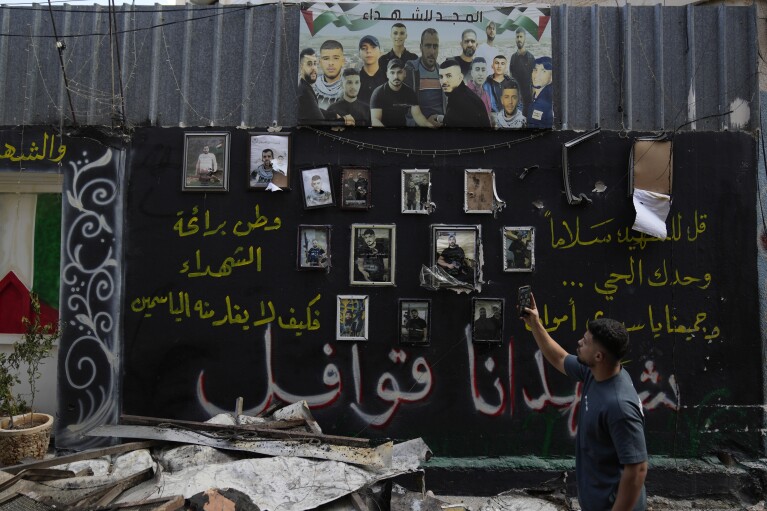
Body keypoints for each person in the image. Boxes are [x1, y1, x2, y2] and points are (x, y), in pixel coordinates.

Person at [520, 299, 648, 511]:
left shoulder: (619, 406)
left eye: (586, 341)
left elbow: (638, 470)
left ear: (599, 356)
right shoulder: (595, 372)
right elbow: (559, 358)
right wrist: (535, 323)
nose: (579, 342)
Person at [371, 59, 434, 128]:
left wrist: (431, 127)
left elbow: (418, 116)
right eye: (392, 73)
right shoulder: (378, 93)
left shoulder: (409, 92)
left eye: (399, 72)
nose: (396, 77)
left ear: (404, 74)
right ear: (387, 74)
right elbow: (375, 120)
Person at [404, 28, 445, 127]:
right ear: (421, 47)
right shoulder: (411, 71)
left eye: (435, 46)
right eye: (428, 46)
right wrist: (426, 122)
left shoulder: (442, 73)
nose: (432, 51)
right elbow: (405, 111)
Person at [439, 59, 491, 128]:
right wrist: (442, 119)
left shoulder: (462, 101)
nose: (444, 81)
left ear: (460, 77)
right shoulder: (460, 94)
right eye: (441, 77)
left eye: (449, 76)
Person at [298, 48, 329, 124]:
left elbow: (314, 109)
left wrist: (334, 115)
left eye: (315, 63)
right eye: (309, 64)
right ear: (301, 67)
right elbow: (321, 122)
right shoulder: (305, 93)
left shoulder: (303, 86)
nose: (313, 68)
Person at [509, 28, 535, 118]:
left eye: (521, 37)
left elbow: (534, 81)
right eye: (517, 37)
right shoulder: (513, 58)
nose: (519, 39)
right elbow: (511, 77)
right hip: (516, 101)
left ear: (525, 38)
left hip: (528, 100)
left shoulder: (531, 58)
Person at [313, 40, 346, 110]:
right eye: (326, 59)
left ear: (343, 62)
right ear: (320, 63)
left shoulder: (352, 89)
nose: (331, 63)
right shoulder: (310, 89)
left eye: (336, 58)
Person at [358, 35, 386, 105]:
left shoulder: (388, 79)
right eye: (364, 48)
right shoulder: (354, 80)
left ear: (380, 52)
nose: (368, 51)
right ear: (359, 53)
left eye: (373, 47)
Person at [528, 56, 554, 128]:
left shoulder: (543, 103)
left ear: (552, 77)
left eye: (543, 71)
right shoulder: (537, 95)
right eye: (535, 70)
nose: (536, 75)